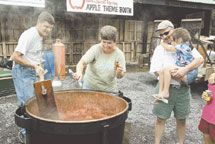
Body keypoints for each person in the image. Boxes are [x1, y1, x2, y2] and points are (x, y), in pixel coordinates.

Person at [150, 20, 204, 144]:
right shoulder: (160, 49)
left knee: (181, 120)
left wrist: (184, 70)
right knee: (160, 119)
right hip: (165, 86)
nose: (164, 36)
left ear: (173, 30)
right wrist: (174, 75)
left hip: (182, 89)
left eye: (166, 33)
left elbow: (199, 59)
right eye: (162, 35)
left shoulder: (185, 44)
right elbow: (156, 71)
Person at [10, 11, 55, 143]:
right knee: (26, 102)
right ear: (38, 23)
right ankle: (26, 134)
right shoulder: (29, 35)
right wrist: (34, 66)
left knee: (37, 100)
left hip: (31, 71)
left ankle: (34, 129)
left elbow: (32, 55)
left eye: (50, 28)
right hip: (22, 71)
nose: (48, 30)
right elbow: (15, 57)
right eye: (46, 26)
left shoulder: (40, 37)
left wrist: (38, 65)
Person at [73, 25, 126, 92]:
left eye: (109, 43)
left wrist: (119, 73)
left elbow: (120, 76)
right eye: (104, 42)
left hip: (108, 89)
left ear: (115, 42)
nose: (106, 45)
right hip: (90, 87)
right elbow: (81, 63)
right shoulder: (95, 49)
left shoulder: (119, 54)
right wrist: (79, 72)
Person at [153, 28, 198, 103]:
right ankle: (161, 92)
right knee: (162, 71)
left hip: (189, 73)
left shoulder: (183, 46)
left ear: (179, 40)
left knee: (167, 69)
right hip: (187, 70)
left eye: (173, 40)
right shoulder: (186, 46)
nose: (171, 42)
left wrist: (162, 43)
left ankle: (166, 92)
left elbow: (169, 48)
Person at [198, 73, 215, 144]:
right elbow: (210, 96)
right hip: (208, 114)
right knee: (206, 135)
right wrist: (207, 96)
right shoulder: (213, 78)